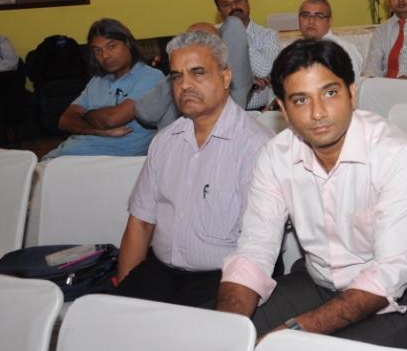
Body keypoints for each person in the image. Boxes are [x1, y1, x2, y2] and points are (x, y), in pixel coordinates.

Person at [216, 39, 407, 349]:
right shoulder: (276, 156)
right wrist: (228, 328)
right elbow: (254, 250)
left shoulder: (394, 154)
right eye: (301, 100)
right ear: (283, 109)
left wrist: (295, 331)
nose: (318, 113)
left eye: (330, 93)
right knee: (214, 336)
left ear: (352, 93)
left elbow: (389, 274)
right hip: (319, 283)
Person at [114, 29, 274, 306]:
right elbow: (140, 222)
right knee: (108, 317)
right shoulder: (165, 141)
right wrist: (126, 292)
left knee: (178, 330)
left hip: (226, 278)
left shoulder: (255, 145)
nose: (185, 84)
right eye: (177, 76)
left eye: (197, 73)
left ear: (225, 77)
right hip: (162, 271)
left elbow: (259, 244)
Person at [45, 18, 164, 159]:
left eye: (111, 46)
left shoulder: (151, 77)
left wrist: (86, 115)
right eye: (97, 51)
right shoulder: (98, 80)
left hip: (107, 158)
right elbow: (65, 121)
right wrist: (101, 131)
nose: (105, 56)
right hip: (65, 153)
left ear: (127, 43)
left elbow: (111, 120)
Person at [214, 0, 280, 109]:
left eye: (238, 1)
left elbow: (266, 71)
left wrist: (239, 35)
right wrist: (249, 80)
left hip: (259, 111)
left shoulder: (267, 35)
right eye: (226, 4)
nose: (234, 7)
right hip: (222, 110)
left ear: (247, 2)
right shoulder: (214, 35)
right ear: (219, 11)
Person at [296, 0, 363, 84]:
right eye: (305, 15)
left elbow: (351, 86)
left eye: (319, 16)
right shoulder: (296, 50)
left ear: (330, 21)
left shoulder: (342, 50)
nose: (311, 21)